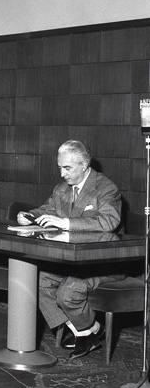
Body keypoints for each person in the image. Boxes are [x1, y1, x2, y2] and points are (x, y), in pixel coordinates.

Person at [17, 140, 122, 359]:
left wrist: (65, 223)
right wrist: (29, 216)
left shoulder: (106, 188)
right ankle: (87, 330)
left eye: (67, 168)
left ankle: (86, 331)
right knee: (37, 280)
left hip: (103, 262)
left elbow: (109, 221)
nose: (62, 174)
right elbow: (47, 209)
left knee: (68, 293)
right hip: (73, 261)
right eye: (60, 167)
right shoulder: (61, 189)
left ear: (84, 165)